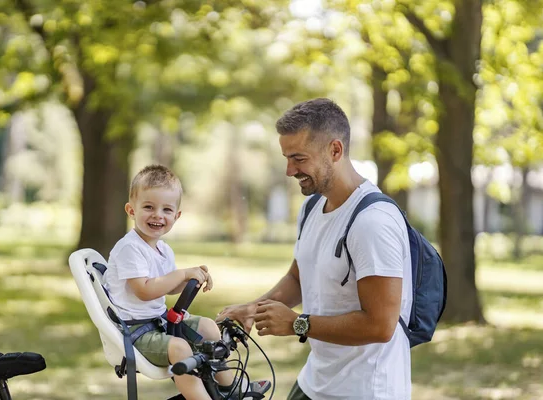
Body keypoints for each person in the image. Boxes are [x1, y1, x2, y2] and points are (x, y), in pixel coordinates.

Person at [217, 98, 412, 400]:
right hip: (314, 382)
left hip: (365, 391)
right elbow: (298, 278)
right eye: (286, 158)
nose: (288, 170)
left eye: (298, 158)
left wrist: (297, 323)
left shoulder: (373, 222)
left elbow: (380, 325)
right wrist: (253, 309)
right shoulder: (311, 207)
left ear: (335, 150)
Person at [103, 165, 271, 400]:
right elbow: (144, 291)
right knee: (180, 349)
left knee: (209, 328)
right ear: (131, 210)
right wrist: (182, 274)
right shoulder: (129, 248)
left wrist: (190, 280)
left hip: (158, 321)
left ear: (176, 216)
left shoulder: (163, 249)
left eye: (167, 209)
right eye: (149, 207)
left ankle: (228, 389)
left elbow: (167, 286)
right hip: (135, 332)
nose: (158, 215)